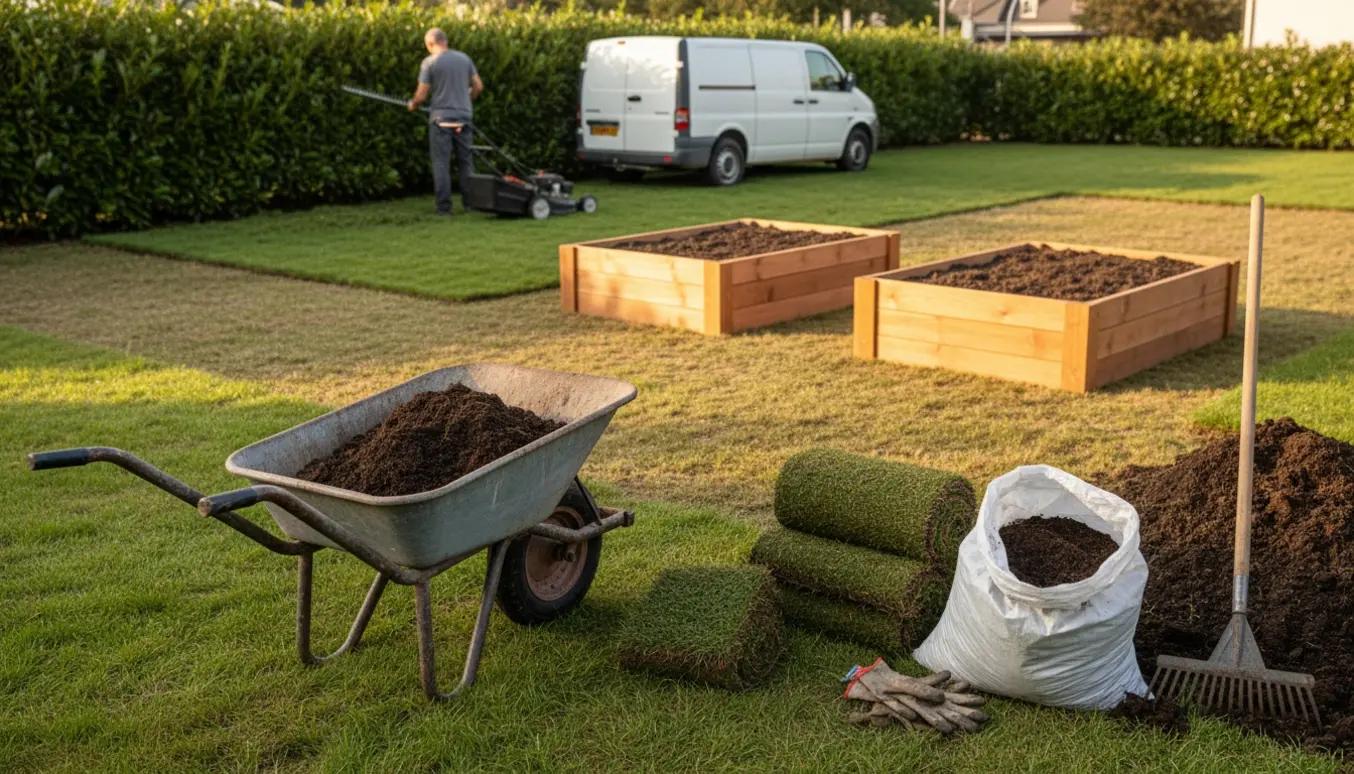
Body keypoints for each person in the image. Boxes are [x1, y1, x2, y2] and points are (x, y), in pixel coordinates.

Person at [408, 28, 484, 216]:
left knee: (441, 163)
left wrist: (413, 104)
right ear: (446, 41)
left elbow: (421, 94)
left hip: (440, 120)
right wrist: (467, 100)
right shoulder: (464, 59)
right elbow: (478, 87)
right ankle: (470, 205)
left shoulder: (429, 62)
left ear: (430, 44)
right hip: (464, 118)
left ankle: (444, 208)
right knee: (466, 162)